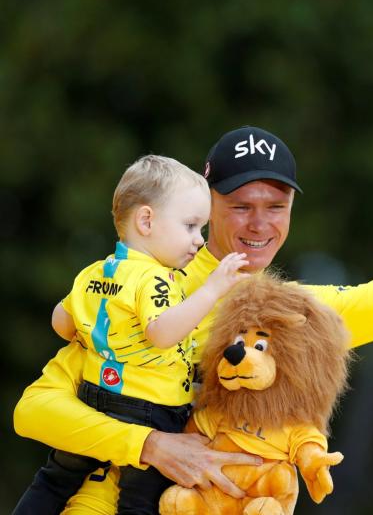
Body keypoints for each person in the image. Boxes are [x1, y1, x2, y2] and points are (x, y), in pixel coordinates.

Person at [13, 44, 373, 515]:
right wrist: (152, 446)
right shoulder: (147, 284)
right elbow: (35, 411)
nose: (260, 224)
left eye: (276, 207)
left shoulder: (298, 318)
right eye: (240, 206)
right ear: (206, 204)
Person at [15, 156, 250, 515]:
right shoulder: (158, 279)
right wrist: (211, 290)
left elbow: (61, 323)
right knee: (140, 502)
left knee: (54, 478)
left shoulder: (96, 270)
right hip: (148, 410)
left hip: (94, 397)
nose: (198, 241)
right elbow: (162, 333)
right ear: (146, 221)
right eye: (190, 226)